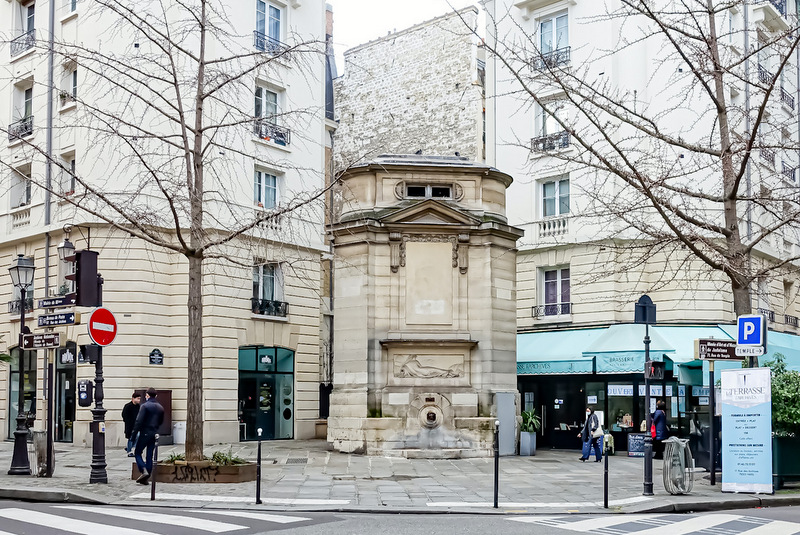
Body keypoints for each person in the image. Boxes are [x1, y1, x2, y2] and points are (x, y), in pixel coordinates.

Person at [132, 387, 165, 484]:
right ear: (156, 396)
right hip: (154, 432)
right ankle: (146, 477)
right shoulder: (160, 407)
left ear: (147, 395)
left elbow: (138, 421)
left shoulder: (145, 406)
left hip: (145, 432)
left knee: (138, 452)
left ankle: (143, 470)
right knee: (149, 455)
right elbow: (161, 421)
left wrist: (133, 435)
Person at [121, 392, 141, 457]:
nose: (139, 400)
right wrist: (128, 423)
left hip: (136, 426)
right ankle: (130, 451)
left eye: (139, 399)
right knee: (131, 438)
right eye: (138, 398)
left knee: (137, 436)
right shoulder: (128, 406)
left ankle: (132, 448)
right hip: (130, 426)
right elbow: (124, 415)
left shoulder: (138, 406)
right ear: (133, 398)